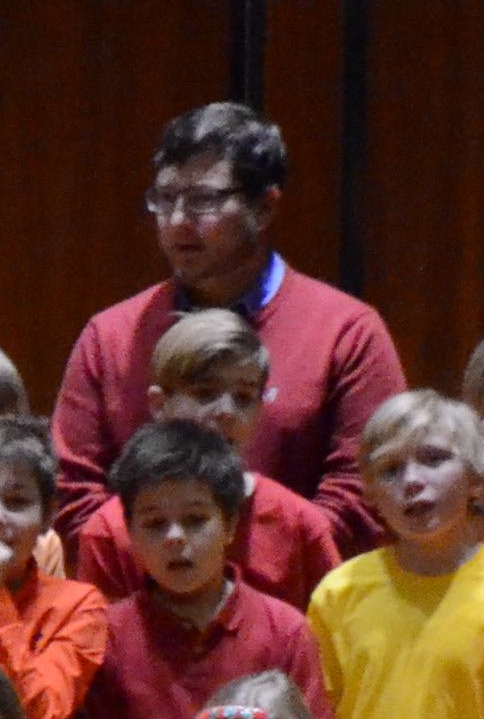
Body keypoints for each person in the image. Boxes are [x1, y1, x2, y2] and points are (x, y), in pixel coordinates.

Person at [46, 104, 409, 550]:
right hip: (137, 587)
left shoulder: (348, 331)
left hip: (301, 588)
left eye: (204, 200)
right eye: (165, 198)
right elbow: (73, 495)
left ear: (265, 207)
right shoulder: (110, 335)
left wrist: (242, 573)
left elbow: (364, 493)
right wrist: (173, 564)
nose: (177, 220)